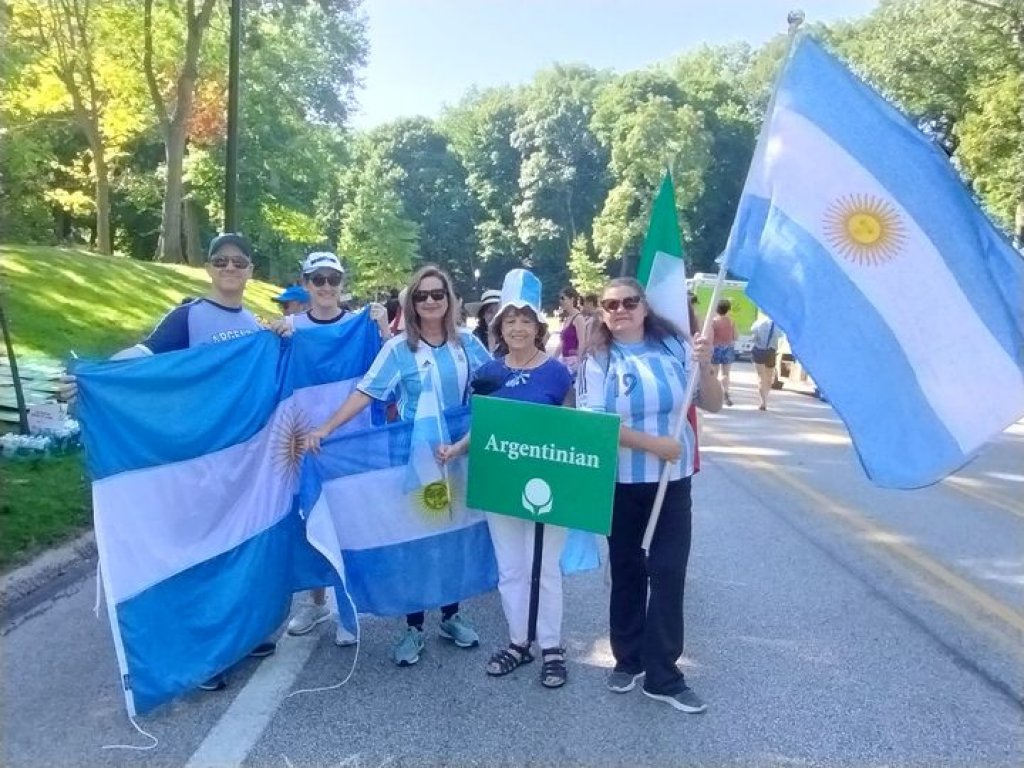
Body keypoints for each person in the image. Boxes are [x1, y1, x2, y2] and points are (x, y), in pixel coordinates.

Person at [58, 232, 277, 691]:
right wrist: (94, 381)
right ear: (209, 267)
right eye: (221, 261)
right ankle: (203, 655)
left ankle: (238, 635)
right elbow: (140, 358)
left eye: (239, 262)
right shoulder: (188, 316)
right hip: (195, 460)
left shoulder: (257, 324)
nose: (230, 269)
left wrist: (283, 333)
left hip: (239, 461)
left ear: (250, 269)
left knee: (236, 545)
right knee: (199, 553)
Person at [305, 265, 492, 667]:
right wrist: (326, 427)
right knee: (417, 538)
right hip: (413, 457)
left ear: (449, 299)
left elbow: (497, 384)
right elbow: (365, 393)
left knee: (452, 534)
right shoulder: (397, 349)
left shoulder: (469, 344)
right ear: (411, 302)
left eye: (437, 294)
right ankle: (413, 626)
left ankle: (451, 616)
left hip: (459, 454)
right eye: (421, 295)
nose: (429, 302)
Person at [576, 277, 722, 714]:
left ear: (644, 306)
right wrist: (654, 445)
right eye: (610, 304)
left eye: (629, 302)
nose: (619, 309)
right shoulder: (597, 359)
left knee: (668, 571)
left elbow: (712, 402)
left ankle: (664, 676)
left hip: (673, 484)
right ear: (601, 312)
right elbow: (594, 425)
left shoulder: (676, 348)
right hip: (621, 484)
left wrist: (708, 365)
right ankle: (629, 658)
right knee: (627, 569)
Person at [438, 270, 574, 688]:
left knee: (545, 567)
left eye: (526, 320)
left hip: (547, 486)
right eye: (510, 320)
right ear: (499, 326)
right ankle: (519, 642)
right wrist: (458, 447)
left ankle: (551, 647)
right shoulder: (488, 375)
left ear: (538, 327)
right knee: (511, 568)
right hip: (499, 481)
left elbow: (572, 430)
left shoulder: (557, 375)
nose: (517, 327)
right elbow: (485, 424)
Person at [274, 252, 391, 646]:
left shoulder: (363, 325)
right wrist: (274, 334)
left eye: (333, 279)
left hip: (350, 443)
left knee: (350, 524)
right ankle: (316, 601)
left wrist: (385, 330)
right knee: (309, 523)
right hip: (305, 441)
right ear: (305, 283)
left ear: (342, 283)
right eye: (317, 279)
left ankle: (348, 608)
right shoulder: (290, 328)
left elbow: (394, 370)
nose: (326, 286)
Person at [750, 315, 781, 411]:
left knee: (761, 377)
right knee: (769, 377)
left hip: (759, 351)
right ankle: (765, 398)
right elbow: (780, 337)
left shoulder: (758, 322)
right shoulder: (777, 324)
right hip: (771, 352)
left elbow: (753, 338)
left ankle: (763, 402)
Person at [710, 298, 737, 406]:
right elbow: (736, 336)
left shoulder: (714, 322)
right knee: (726, 373)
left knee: (714, 373)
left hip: (716, 347)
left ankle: (715, 394)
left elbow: (710, 336)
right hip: (728, 348)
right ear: (728, 309)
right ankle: (725, 391)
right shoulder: (732, 321)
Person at [556, 286, 588, 373]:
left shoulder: (578, 318)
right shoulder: (568, 318)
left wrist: (578, 363)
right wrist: (553, 358)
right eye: (560, 299)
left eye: (563, 298)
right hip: (564, 359)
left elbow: (582, 343)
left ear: (572, 299)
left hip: (573, 361)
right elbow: (562, 342)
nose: (561, 301)